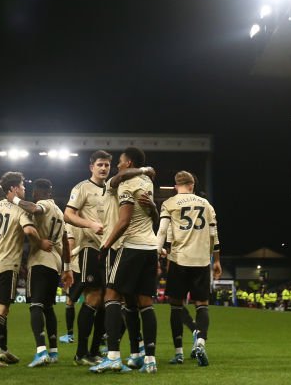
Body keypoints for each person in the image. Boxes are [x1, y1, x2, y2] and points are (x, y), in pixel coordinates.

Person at [91, 147, 160, 374]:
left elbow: (124, 221)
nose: (117, 166)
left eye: (120, 161)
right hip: (151, 247)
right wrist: (146, 169)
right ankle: (147, 358)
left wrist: (106, 244)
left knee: (111, 296)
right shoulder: (147, 182)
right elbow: (152, 215)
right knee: (143, 303)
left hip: (130, 246)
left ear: (128, 162)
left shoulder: (126, 183)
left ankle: (112, 356)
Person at [0, 171, 46, 367]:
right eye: (23, 186)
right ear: (14, 188)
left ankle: (3, 350)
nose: (25, 189)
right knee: (2, 309)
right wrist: (40, 243)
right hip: (8, 264)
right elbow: (29, 230)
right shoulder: (20, 209)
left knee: (1, 309)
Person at [157, 170, 220, 367]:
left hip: (179, 260)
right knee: (202, 305)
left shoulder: (170, 203)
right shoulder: (206, 205)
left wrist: (156, 252)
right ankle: (200, 341)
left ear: (176, 186)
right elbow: (214, 236)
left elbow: (162, 231)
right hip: (202, 260)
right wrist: (216, 261)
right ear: (192, 185)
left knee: (175, 305)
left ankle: (178, 353)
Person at [63, 151, 113, 366]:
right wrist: (90, 224)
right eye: (100, 164)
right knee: (93, 297)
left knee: (105, 301)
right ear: (91, 167)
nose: (104, 168)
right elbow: (68, 214)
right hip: (90, 249)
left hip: (110, 250)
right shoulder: (82, 187)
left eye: (107, 165)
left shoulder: (113, 189)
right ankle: (80, 353)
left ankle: (93, 352)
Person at [19, 178, 74, 367]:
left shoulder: (42, 204)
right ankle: (53, 351)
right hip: (56, 263)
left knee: (36, 305)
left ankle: (41, 351)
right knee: (49, 306)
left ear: (36, 193)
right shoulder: (59, 211)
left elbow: (35, 210)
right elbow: (66, 242)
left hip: (41, 259)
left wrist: (15, 201)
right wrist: (67, 269)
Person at [60, 223, 81, 344]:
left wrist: (67, 264)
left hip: (75, 265)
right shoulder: (90, 220)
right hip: (89, 262)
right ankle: (103, 337)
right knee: (94, 300)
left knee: (70, 301)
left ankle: (70, 335)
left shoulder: (70, 224)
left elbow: (70, 244)